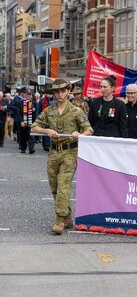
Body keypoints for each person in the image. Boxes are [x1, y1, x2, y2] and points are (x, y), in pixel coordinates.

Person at [31, 79, 93, 234]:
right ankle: (67, 216)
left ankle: (59, 220)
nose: (60, 94)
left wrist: (79, 134)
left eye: (63, 91)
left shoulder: (76, 111)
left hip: (70, 153)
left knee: (63, 187)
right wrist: (47, 131)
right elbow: (34, 126)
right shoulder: (49, 111)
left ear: (68, 92)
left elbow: (89, 129)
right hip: (53, 152)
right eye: (57, 91)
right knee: (54, 187)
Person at [13, 89, 37, 154]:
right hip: (23, 121)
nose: (28, 96)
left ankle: (31, 149)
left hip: (31, 121)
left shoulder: (33, 102)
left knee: (31, 135)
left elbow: (35, 113)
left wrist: (35, 122)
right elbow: (18, 113)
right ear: (25, 95)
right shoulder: (21, 102)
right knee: (23, 136)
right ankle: (23, 148)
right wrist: (21, 121)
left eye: (30, 94)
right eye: (27, 94)